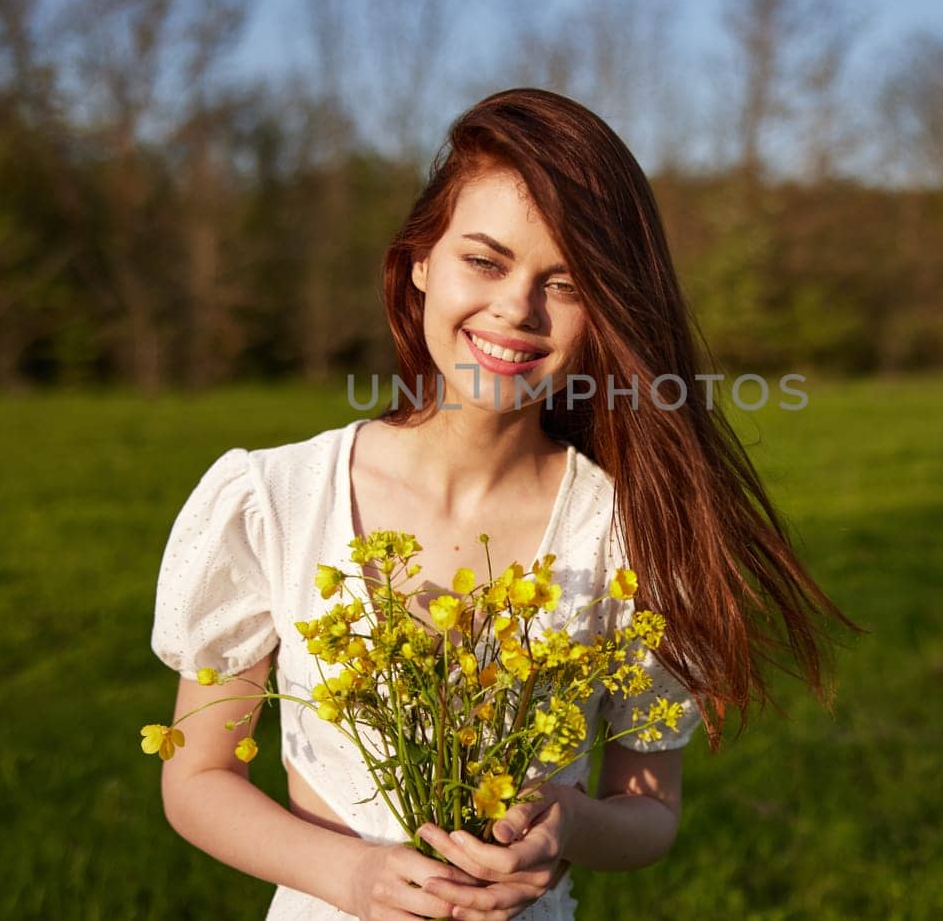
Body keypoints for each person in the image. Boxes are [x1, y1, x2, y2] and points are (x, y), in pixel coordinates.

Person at [149, 88, 859, 920]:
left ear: (605, 311)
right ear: (420, 260)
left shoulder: (623, 533)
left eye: (564, 282)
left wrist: (572, 822)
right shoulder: (273, 501)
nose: (515, 310)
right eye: (484, 262)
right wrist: (352, 877)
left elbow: (651, 812)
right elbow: (196, 778)